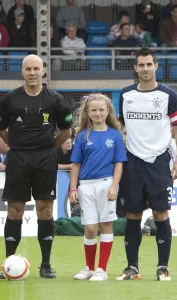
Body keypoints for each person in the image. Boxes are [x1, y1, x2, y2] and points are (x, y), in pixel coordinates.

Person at [0, 54, 72, 279]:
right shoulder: (10, 99)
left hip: (45, 159)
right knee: (14, 210)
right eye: (28, 69)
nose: (32, 72)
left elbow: (66, 131)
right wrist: (16, 146)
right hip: (18, 159)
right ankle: (9, 264)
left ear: (43, 71)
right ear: (22, 72)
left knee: (45, 209)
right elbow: (0, 128)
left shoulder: (55, 99)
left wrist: (48, 148)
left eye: (36, 68)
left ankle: (46, 264)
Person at [116, 47, 177, 281]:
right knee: (133, 215)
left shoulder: (169, 95)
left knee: (161, 214)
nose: (145, 69)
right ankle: (132, 268)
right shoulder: (125, 95)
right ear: (135, 68)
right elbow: (121, 127)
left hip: (159, 162)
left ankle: (162, 268)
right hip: (133, 162)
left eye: (149, 64)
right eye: (141, 65)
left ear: (156, 66)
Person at [70, 93, 127, 281]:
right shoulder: (82, 136)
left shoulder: (115, 135)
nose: (97, 113)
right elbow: (75, 165)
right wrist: (73, 188)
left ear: (108, 111)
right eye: (93, 109)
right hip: (86, 186)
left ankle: (101, 269)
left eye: (101, 109)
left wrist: (114, 186)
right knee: (90, 228)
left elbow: (119, 163)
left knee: (106, 224)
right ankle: (89, 267)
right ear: (87, 111)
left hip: (106, 184)